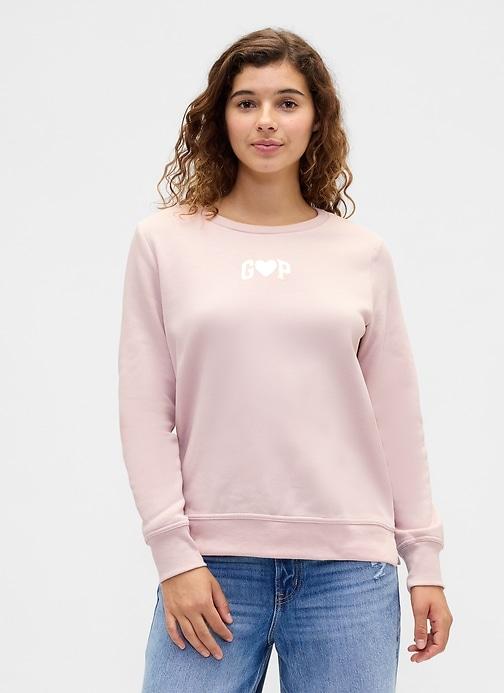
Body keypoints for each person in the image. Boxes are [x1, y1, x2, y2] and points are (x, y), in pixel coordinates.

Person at [118, 26, 453, 693]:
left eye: (287, 102)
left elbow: (397, 419)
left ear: (316, 118)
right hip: (211, 565)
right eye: (246, 102)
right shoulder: (164, 243)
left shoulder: (361, 255)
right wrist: (174, 554)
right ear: (220, 118)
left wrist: (425, 562)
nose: (266, 120)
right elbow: (144, 409)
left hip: (349, 573)